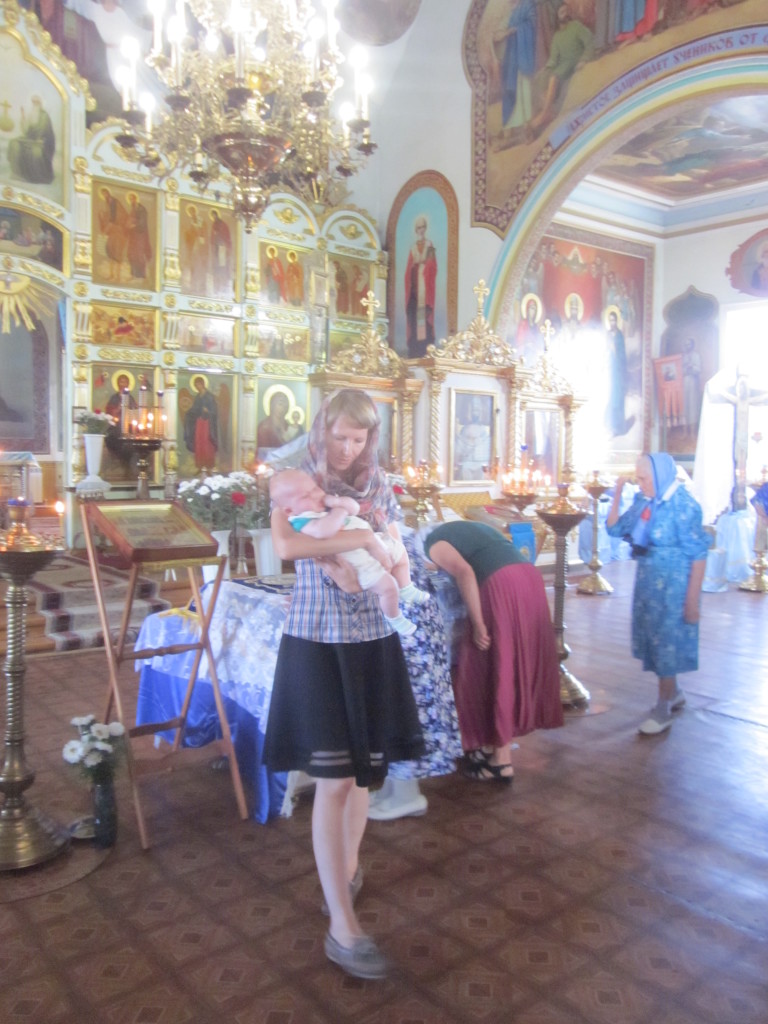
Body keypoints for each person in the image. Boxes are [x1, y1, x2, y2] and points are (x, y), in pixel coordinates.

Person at [264, 389, 425, 980]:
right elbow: (288, 545)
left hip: (371, 639)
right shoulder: (295, 480)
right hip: (317, 638)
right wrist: (357, 540)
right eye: (339, 436)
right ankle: (342, 925)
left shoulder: (378, 483)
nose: (347, 449)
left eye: (358, 439)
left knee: (362, 775)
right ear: (321, 429)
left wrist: (373, 549)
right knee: (332, 781)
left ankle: (347, 869)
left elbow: (396, 546)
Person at [423, 520, 563, 782]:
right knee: (514, 658)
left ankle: (501, 760)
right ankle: (491, 742)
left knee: (490, 662)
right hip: (529, 578)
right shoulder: (471, 530)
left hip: (500, 584)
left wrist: (478, 624)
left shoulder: (431, 543)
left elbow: (464, 572)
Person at [606, 453, 710, 735]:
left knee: (667, 641)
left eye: (644, 479)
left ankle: (663, 708)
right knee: (654, 639)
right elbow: (614, 528)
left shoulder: (684, 505)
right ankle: (673, 692)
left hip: (675, 584)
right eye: (638, 479)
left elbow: (699, 554)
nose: (640, 484)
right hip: (649, 582)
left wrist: (692, 600)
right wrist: (617, 494)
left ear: (660, 475)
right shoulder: (645, 501)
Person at [270, 468, 430, 637]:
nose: (315, 495)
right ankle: (395, 618)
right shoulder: (302, 519)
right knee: (389, 587)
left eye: (315, 488)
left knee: (401, 552)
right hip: (355, 562)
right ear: (289, 510)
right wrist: (341, 512)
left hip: (370, 549)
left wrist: (338, 502)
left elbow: (354, 508)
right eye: (305, 496)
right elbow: (324, 531)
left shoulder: (325, 504)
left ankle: (406, 587)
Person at [404, 214, 437, 358]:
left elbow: (433, 265)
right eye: (418, 228)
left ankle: (425, 345)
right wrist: (414, 268)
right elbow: (408, 269)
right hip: (415, 287)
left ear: (425, 228)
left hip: (425, 285)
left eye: (423, 227)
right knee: (414, 315)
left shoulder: (429, 245)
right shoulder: (413, 247)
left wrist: (425, 266)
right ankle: (415, 346)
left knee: (424, 314)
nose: (421, 230)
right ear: (416, 230)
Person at [7, 95, 55, 184]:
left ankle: (36, 177)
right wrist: (23, 117)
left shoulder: (44, 115)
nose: (35, 104)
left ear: (40, 104)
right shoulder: (31, 114)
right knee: (14, 144)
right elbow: (25, 131)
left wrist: (41, 139)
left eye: (36, 102)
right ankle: (17, 173)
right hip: (29, 139)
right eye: (33, 102)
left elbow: (47, 132)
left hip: (42, 142)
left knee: (35, 151)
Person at [183, 375, 218, 470]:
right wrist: (189, 412)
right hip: (199, 423)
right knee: (199, 442)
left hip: (207, 424)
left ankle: (209, 465)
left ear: (202, 384)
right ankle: (200, 466)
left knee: (207, 442)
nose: (197, 387)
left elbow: (215, 411)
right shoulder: (198, 397)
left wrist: (208, 411)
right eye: (195, 385)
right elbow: (195, 408)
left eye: (198, 384)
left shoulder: (209, 396)